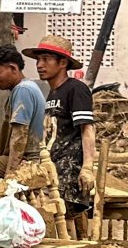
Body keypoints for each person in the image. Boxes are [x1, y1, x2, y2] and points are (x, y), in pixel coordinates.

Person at [23, 34, 97, 232]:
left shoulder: (76, 89)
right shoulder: (52, 94)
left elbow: (87, 128)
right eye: (38, 59)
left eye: (46, 59)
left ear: (63, 62)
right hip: (52, 169)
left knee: (59, 220)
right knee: (58, 223)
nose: (39, 64)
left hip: (69, 171)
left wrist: (88, 167)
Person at [0, 45, 45, 179]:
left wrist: (10, 175)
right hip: (29, 158)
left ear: (13, 68)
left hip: (28, 161)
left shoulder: (23, 90)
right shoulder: (27, 87)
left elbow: (19, 137)